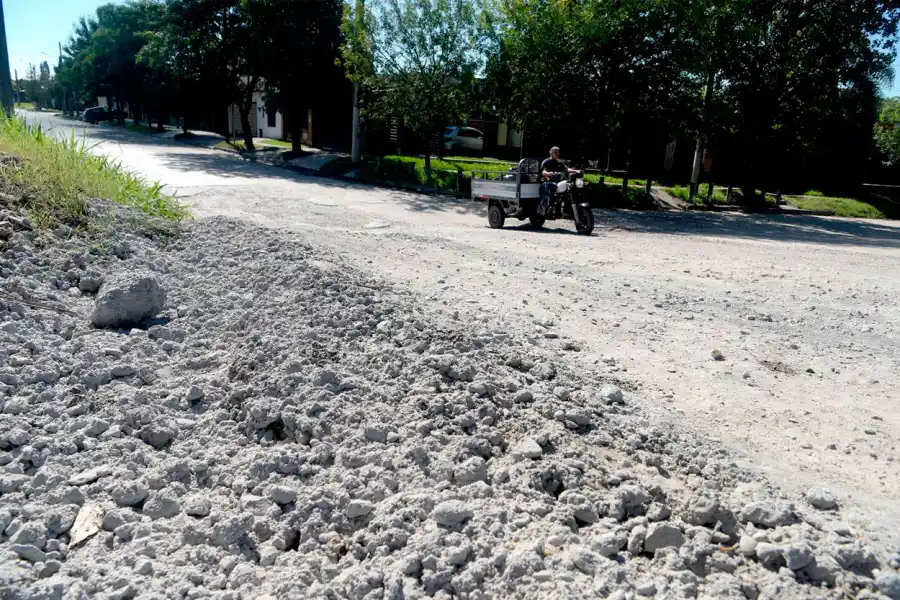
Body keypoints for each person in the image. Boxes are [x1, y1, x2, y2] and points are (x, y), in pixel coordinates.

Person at [539, 147, 581, 214]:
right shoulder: (546, 162)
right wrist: (548, 173)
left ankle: (567, 208)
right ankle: (549, 207)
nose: (557, 154)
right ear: (551, 153)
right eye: (555, 152)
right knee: (552, 185)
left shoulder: (560, 162)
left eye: (558, 152)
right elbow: (543, 171)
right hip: (548, 182)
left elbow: (566, 169)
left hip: (559, 183)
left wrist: (576, 171)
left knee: (570, 186)